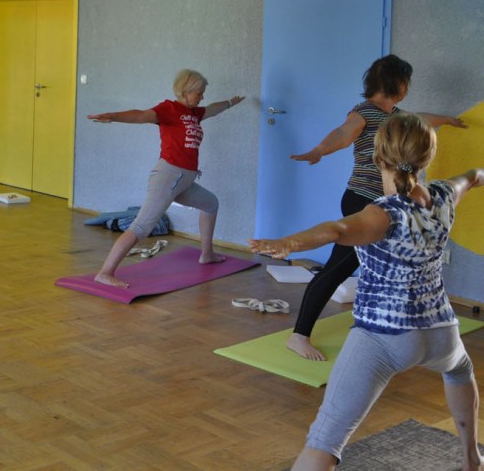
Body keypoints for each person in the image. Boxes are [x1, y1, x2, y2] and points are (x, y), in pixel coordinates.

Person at [250, 113, 483, 471]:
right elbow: (474, 176)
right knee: (459, 370)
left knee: (324, 440)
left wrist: (290, 243)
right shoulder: (443, 195)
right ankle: (472, 459)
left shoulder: (382, 214)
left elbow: (338, 229)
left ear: (378, 158)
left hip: (384, 336)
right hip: (441, 331)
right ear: (427, 158)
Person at [284, 54, 467, 361]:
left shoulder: (398, 117)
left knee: (383, 264)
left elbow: (421, 119)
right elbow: (343, 134)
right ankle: (299, 335)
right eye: (407, 83)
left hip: (387, 205)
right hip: (363, 200)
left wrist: (447, 119)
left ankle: (399, 325)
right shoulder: (364, 112)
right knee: (338, 267)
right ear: (400, 84)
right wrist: (319, 150)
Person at [87, 69, 245, 288]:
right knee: (142, 227)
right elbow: (141, 115)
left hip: (184, 181)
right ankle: (105, 272)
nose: (202, 96)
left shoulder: (194, 113)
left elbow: (212, 109)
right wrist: (114, 116)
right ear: (186, 91)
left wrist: (229, 103)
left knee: (211, 204)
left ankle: (207, 254)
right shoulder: (169, 109)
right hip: (168, 176)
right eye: (199, 92)